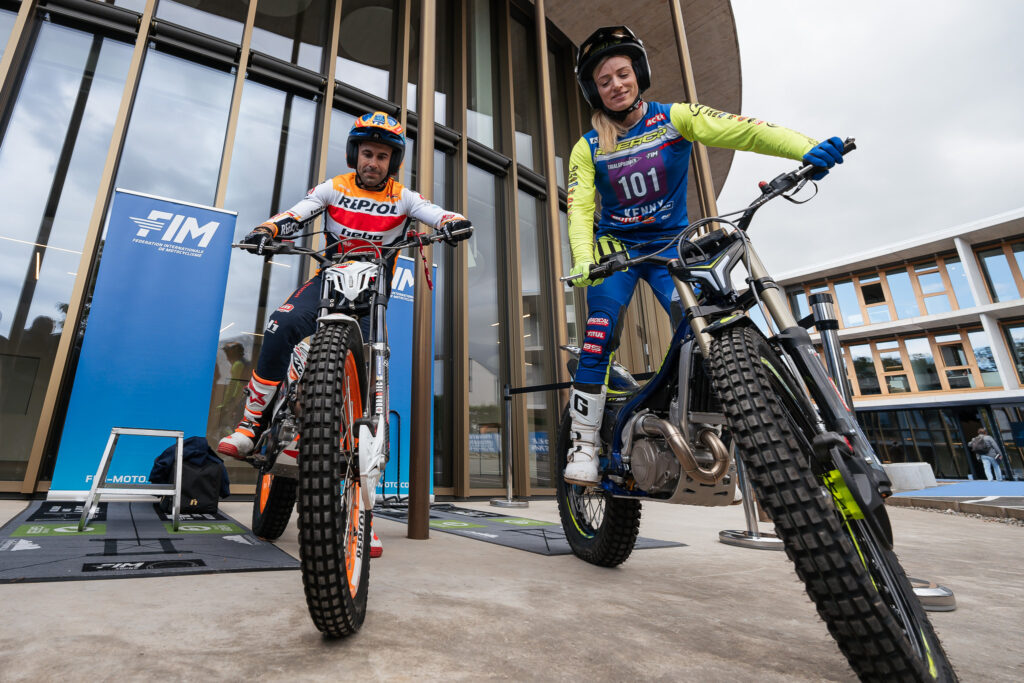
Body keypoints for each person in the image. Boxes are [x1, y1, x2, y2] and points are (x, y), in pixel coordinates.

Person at [563, 26, 847, 485]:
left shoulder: (675, 117)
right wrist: (582, 258)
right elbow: (580, 208)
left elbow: (743, 131)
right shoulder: (588, 146)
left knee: (701, 330)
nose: (616, 84)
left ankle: (704, 423)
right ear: (593, 91)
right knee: (600, 331)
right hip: (616, 251)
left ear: (638, 73)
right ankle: (583, 442)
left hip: (672, 245)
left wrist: (805, 148)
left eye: (622, 73)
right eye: (604, 80)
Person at [218, 111, 471, 461]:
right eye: (367, 154)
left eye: (382, 157)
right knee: (280, 326)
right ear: (356, 154)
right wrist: (267, 230)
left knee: (369, 363)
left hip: (373, 291)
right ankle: (251, 425)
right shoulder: (334, 187)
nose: (373, 163)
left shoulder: (404, 197)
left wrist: (455, 223)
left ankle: (335, 437)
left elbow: (438, 214)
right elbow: (297, 213)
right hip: (329, 280)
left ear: (392, 162)